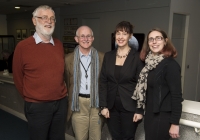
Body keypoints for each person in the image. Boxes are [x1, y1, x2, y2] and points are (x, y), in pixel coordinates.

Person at [12, 5, 68, 140]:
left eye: (52, 18)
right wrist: (31, 97)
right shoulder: (23, 47)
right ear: (34, 21)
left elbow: (61, 74)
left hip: (60, 104)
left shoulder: (59, 45)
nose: (49, 21)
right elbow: (18, 77)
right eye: (44, 18)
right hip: (37, 106)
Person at [132, 28, 183, 140]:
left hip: (163, 117)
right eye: (151, 39)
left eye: (158, 38)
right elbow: (147, 91)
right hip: (150, 115)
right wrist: (139, 110)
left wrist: (175, 123)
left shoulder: (170, 65)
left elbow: (177, 96)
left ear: (165, 41)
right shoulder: (149, 63)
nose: (154, 42)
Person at [99, 21, 144, 140]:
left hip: (130, 107)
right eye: (118, 33)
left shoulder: (137, 58)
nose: (120, 37)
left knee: (128, 137)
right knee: (115, 137)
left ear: (130, 36)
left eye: (124, 33)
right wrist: (103, 106)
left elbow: (142, 85)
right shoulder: (108, 56)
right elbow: (103, 81)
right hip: (111, 106)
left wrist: (140, 109)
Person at [64, 25, 104, 140]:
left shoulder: (102, 57)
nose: (85, 39)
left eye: (88, 36)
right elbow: (66, 81)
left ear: (92, 38)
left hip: (96, 104)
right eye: (82, 36)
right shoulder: (68, 59)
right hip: (78, 104)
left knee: (96, 137)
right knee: (80, 138)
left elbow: (105, 83)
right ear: (76, 39)